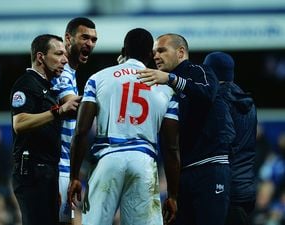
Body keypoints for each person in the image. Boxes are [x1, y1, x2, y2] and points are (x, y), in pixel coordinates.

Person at [67, 28, 180, 225]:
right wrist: (172, 195)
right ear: (150, 55)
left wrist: (74, 176)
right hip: (143, 161)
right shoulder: (165, 89)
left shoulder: (98, 78)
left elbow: (81, 131)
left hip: (107, 158)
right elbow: (171, 147)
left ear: (123, 50)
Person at [137, 34, 234, 225]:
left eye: (162, 50)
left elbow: (207, 93)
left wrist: (171, 79)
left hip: (210, 167)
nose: (156, 56)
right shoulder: (162, 86)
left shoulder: (199, 70)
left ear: (181, 52)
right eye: (155, 52)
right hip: (182, 173)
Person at [10, 34, 80, 225]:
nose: (64, 60)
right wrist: (57, 112)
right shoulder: (26, 84)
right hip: (32, 172)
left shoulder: (47, 87)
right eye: (58, 54)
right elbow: (20, 123)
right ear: (41, 57)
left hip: (47, 173)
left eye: (65, 54)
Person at [50, 17, 97, 225]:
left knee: (68, 221)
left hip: (66, 169)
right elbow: (72, 105)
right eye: (84, 37)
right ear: (68, 39)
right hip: (58, 168)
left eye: (94, 39)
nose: (90, 43)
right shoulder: (62, 72)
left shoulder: (72, 73)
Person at [203, 51, 258, 225]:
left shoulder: (219, 99)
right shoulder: (248, 102)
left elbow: (224, 140)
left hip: (225, 190)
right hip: (246, 187)